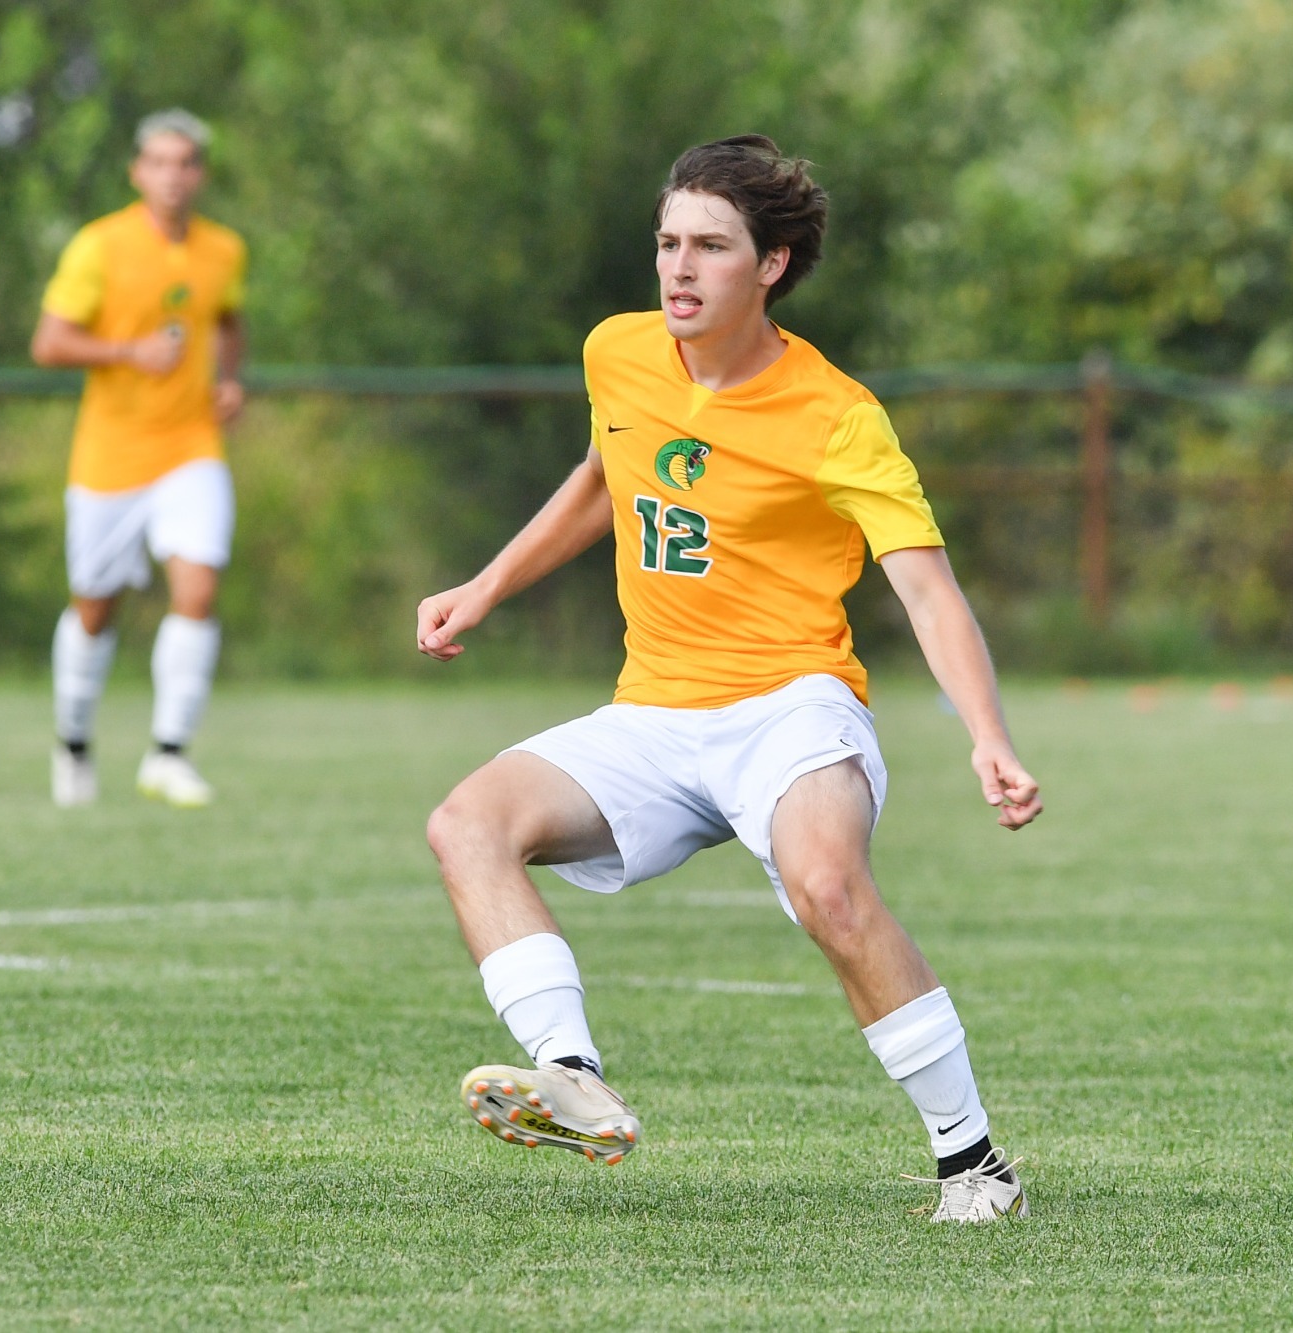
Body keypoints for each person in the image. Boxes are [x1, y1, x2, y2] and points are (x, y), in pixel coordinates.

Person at [416, 136, 1042, 1223]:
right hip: (653, 711)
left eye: (709, 246)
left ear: (773, 265)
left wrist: (984, 734)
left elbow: (928, 593)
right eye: (666, 242)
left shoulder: (834, 414)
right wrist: (485, 585)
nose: (678, 269)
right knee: (465, 823)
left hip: (791, 705)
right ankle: (568, 1074)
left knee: (826, 887)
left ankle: (971, 1161)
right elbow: (603, 474)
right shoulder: (617, 352)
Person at [30, 109, 247, 808]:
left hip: (190, 448)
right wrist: (129, 352)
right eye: (159, 162)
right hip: (111, 457)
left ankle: (168, 753)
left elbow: (229, 318)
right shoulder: (100, 245)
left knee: (199, 589)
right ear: (137, 172)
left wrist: (230, 379)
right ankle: (73, 742)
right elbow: (50, 343)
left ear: (200, 173)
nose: (173, 175)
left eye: (186, 162)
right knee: (96, 607)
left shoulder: (223, 250)